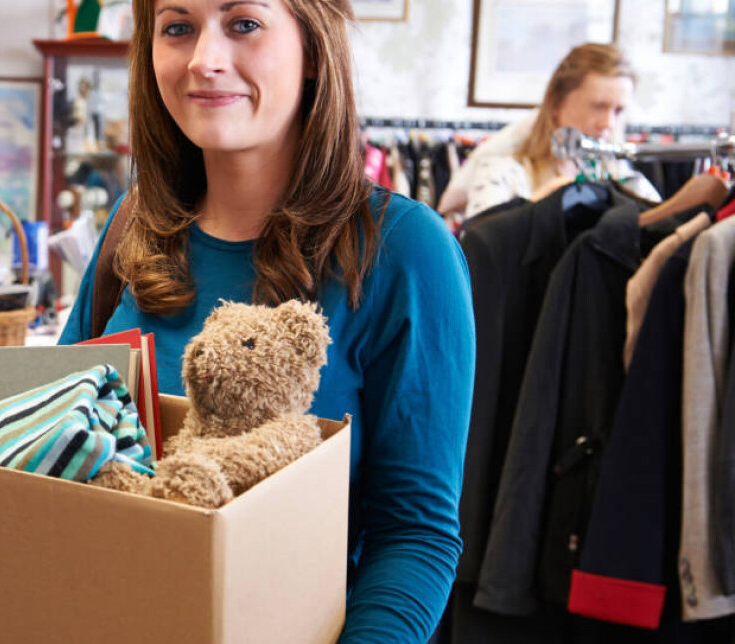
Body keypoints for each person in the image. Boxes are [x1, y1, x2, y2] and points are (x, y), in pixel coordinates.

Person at [58, 0, 475, 641]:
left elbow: (413, 535)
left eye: (243, 24)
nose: (205, 59)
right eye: (177, 28)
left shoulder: (404, 251)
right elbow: (49, 451)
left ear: (313, 49)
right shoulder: (132, 226)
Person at [439, 43, 661, 220]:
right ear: (555, 104)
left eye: (618, 110)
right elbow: (480, 251)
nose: (608, 123)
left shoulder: (626, 181)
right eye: (598, 107)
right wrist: (542, 203)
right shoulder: (504, 174)